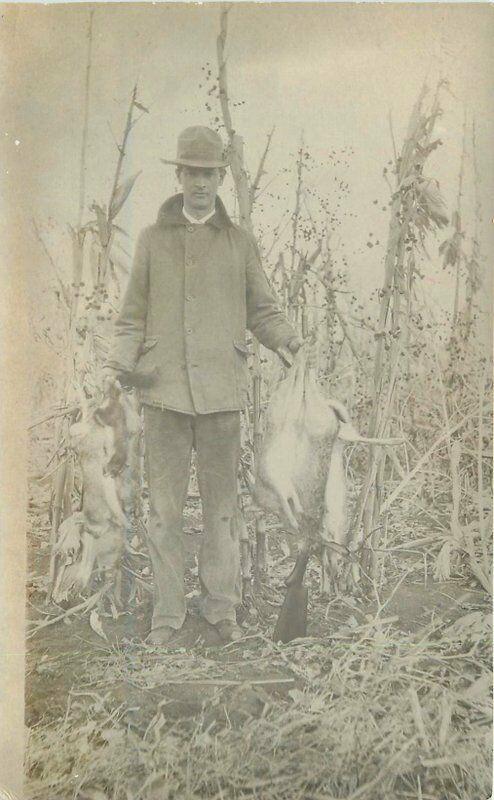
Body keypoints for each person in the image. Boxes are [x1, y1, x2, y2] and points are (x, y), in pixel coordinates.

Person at [104, 126, 303, 645]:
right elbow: (130, 319)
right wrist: (117, 366)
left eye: (209, 173)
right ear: (179, 175)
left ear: (220, 178)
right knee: (165, 512)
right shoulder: (152, 240)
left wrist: (289, 342)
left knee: (222, 509)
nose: (200, 183)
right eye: (191, 172)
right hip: (162, 393)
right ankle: (167, 617)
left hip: (221, 397)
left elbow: (263, 310)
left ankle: (221, 612)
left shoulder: (240, 243)